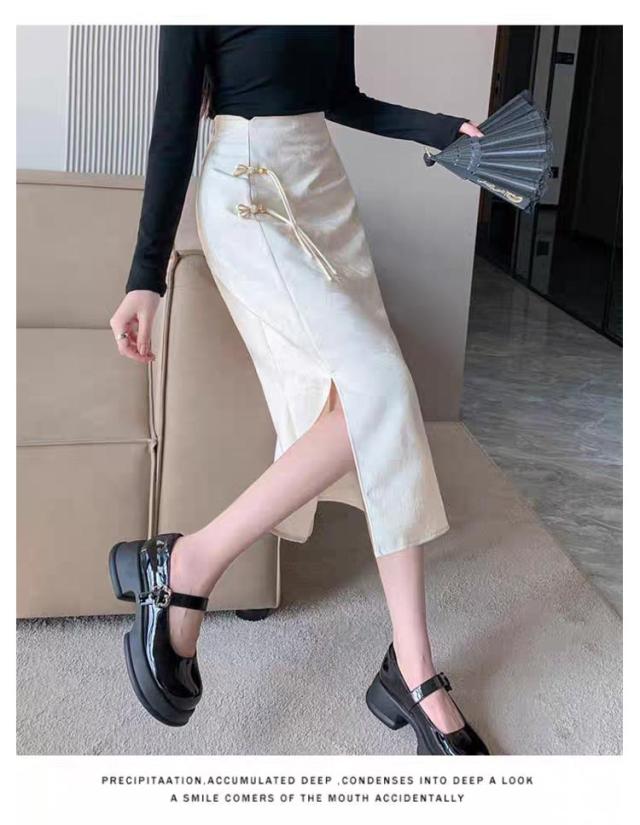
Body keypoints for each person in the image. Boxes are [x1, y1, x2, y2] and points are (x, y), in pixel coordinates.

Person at [108, 24, 489, 756]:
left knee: (375, 402)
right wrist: (145, 277)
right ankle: (191, 562)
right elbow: (174, 124)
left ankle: (412, 670)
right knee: (383, 389)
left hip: (323, 189)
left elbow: (340, 96)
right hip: (249, 194)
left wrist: (439, 129)